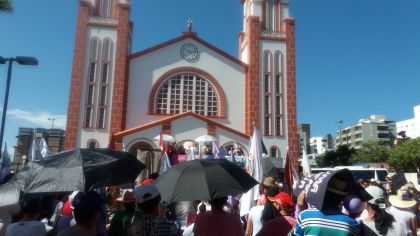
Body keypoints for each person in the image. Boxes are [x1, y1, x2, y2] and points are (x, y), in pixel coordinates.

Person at [290, 175, 361, 236]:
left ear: (322, 192)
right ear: (343, 198)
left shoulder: (305, 216)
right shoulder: (353, 225)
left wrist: (301, 209)